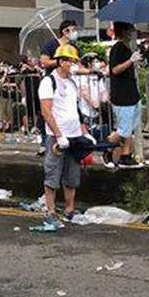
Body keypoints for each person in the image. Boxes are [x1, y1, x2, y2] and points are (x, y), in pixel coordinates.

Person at [38, 45, 90, 226]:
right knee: (52, 174)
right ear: (61, 62)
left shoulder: (72, 82)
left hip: (74, 135)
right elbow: (46, 111)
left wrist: (84, 131)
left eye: (74, 61)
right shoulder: (48, 82)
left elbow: (75, 109)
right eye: (70, 61)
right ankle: (50, 210)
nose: (73, 65)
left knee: (71, 176)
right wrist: (58, 135)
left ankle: (69, 209)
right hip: (57, 137)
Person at [107, 22, 143, 166]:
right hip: (122, 95)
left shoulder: (128, 48)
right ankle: (106, 147)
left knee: (129, 128)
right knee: (124, 130)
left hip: (132, 93)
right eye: (130, 29)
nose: (133, 32)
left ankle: (125, 155)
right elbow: (115, 70)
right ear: (123, 31)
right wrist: (130, 60)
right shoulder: (118, 48)